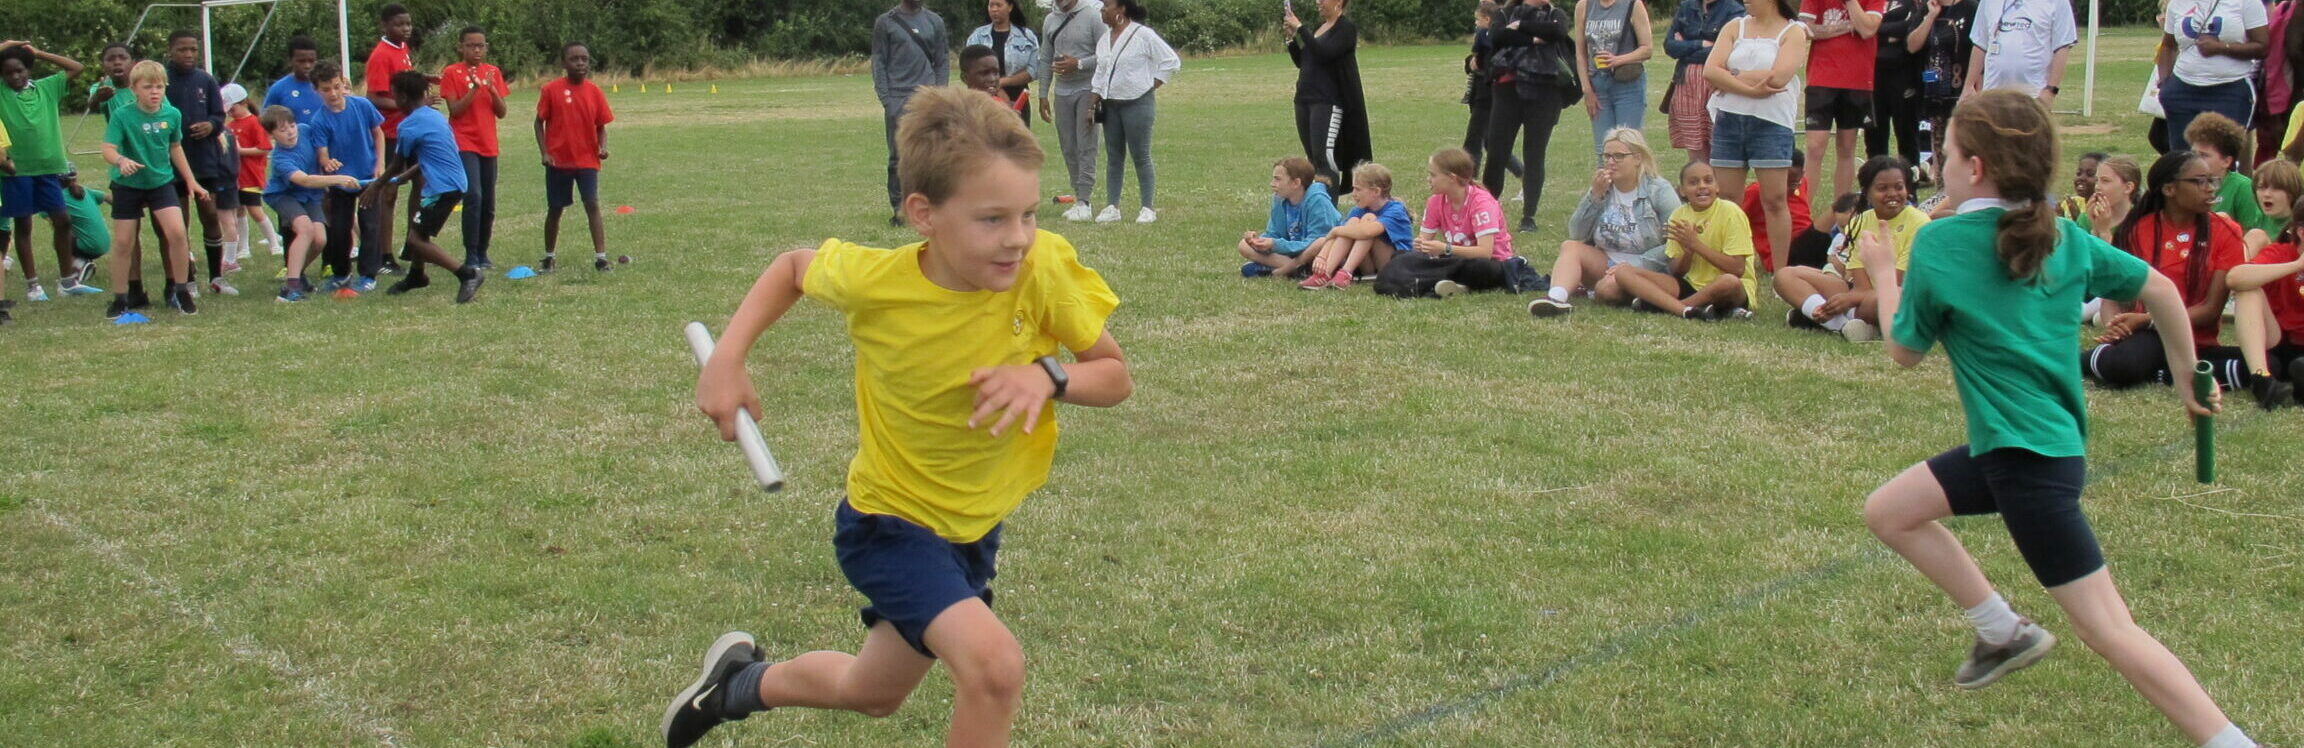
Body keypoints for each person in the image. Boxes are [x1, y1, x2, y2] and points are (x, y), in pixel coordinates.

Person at [662, 86, 1131, 748]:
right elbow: (794, 269)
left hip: (972, 529)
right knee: (994, 671)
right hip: (889, 524)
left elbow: (1113, 377)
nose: (1019, 239)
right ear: (923, 214)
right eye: (993, 219)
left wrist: (1047, 375)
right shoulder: (878, 282)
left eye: (1028, 214)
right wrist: (727, 359)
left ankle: (736, 685)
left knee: (872, 693)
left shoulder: (1042, 266)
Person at [1859, 89, 2261, 748]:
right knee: (1890, 511)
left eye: (1946, 155)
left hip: (2026, 466)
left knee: (2110, 630)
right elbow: (2157, 289)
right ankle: (1999, 629)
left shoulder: (1939, 244)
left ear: (1977, 167)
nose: (1939, 167)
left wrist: (1883, 275)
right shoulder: (2063, 234)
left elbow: (1902, 352)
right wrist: (2188, 374)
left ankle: (2231, 742)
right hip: (2030, 449)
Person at [2083, 150, 2249, 391]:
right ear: (2169, 189)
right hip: (2148, 339)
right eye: (2199, 181)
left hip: (2196, 341)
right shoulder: (2137, 230)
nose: (2210, 188)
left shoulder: (2225, 231)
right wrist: (2116, 328)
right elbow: (2113, 297)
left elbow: (2211, 310)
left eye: (2212, 180)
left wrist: (2143, 321)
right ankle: (2079, 361)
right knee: (2127, 364)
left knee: (2266, 365)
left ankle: (2163, 373)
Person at [1705, 0, 1810, 275]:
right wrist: (1750, 88)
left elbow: (1778, 77)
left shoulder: (1793, 32)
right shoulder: (1733, 27)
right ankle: (1733, 266)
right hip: (1728, 119)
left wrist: (1730, 76)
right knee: (1728, 199)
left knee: (1774, 199)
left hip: (1771, 123)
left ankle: (1781, 271)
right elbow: (1710, 70)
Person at [1531, 127, 1682, 315]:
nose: (1610, 162)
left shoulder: (1658, 190)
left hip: (1645, 268)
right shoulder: (1603, 187)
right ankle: (1555, 299)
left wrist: (1632, 268)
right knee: (1570, 247)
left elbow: (1676, 242)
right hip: (1607, 261)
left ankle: (1640, 296)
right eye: (1607, 156)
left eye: (1618, 156)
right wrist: (1595, 196)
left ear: (1637, 158)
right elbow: (1576, 232)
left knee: (1607, 289)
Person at [1775, 155, 1926, 340]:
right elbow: (1860, 283)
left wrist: (1851, 300)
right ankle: (1841, 325)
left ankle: (1822, 319)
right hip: (1861, 297)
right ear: (1867, 192)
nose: (1893, 194)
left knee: (1891, 296)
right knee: (1785, 275)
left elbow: (1897, 282)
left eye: (1899, 187)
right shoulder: (1860, 221)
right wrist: (1849, 298)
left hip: (1896, 295)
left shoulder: (1919, 223)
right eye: (1882, 188)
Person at [101, 60, 205, 318]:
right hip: (127, 185)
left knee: (178, 233)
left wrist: (190, 180)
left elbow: (175, 148)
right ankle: (120, 298)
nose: (155, 92)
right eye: (148, 87)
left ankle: (181, 291)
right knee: (124, 241)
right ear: (135, 88)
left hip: (161, 183)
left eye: (159, 87)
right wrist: (121, 161)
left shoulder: (172, 114)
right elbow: (108, 149)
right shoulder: (122, 115)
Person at [368, 71, 483, 304]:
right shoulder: (435, 117)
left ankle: (467, 274)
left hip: (443, 188)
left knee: (416, 240)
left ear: (401, 97)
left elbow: (396, 165)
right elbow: (428, 158)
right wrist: (404, 177)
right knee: (416, 228)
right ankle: (416, 275)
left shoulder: (408, 126)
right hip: (453, 182)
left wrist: (375, 186)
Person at [1609, 160, 1756, 319]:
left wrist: (1696, 245)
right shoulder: (1679, 215)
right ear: (1682, 191)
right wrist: (1688, 251)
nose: (1702, 186)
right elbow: (1677, 272)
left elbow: (1737, 269)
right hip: (1691, 284)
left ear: (1717, 186)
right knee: (1624, 272)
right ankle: (1688, 309)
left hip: (1730, 288)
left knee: (1728, 282)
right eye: (1693, 182)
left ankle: (1673, 308)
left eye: (1708, 181)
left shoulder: (1731, 212)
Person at [0, 41, 90, 301]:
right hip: (16, 170)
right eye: (8, 72)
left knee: (62, 220)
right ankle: (33, 285)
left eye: (20, 70)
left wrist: (37, 53)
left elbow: (77, 67)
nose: (16, 76)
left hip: (48, 169)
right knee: (23, 224)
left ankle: (67, 282)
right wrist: (8, 45)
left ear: (28, 69)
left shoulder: (46, 88)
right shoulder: (3, 93)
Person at [1378, 147, 1516, 298]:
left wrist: (1446, 248)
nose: (1428, 179)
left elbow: (1484, 253)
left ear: (1452, 178)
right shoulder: (1435, 202)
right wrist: (1421, 245)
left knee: (1481, 268)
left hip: (1490, 263)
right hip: (1454, 261)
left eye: (1433, 175)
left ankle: (1435, 283)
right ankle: (1453, 285)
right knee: (1402, 257)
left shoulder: (1481, 203)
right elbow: (1423, 243)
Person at [163, 30, 241, 297]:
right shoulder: (163, 80)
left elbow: (219, 115)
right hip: (172, 164)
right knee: (179, 223)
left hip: (205, 161)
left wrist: (211, 124)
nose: (188, 54)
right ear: (170, 50)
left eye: (193, 50)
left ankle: (218, 277)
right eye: (183, 49)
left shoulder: (205, 80)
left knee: (210, 216)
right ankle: (189, 280)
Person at [1484, 0, 1573, 233]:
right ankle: (1488, 209)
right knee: (1496, 152)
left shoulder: (1556, 14)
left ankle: (1528, 216)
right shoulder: (1504, 13)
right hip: (1506, 91)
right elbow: (1497, 37)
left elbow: (1558, 32)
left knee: (1534, 155)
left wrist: (1521, 25)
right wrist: (1534, 38)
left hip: (1545, 93)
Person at [1088, 0, 1180, 225]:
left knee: (1141, 155)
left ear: (1121, 9)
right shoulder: (1103, 40)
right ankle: (1112, 206)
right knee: (1114, 156)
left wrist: (1150, 85)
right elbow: (1100, 75)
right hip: (1111, 105)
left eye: (1106, 5)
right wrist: (1091, 104)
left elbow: (1171, 61)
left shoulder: (1143, 35)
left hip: (1138, 103)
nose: (1102, 10)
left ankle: (1147, 207)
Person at [260, 105, 359, 301]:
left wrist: (329, 162)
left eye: (292, 125)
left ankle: (297, 275)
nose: (290, 132)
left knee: (320, 239)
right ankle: (290, 288)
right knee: (305, 230)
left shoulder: (306, 130)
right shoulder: (280, 159)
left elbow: (323, 145)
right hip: (284, 195)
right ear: (272, 135)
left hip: (310, 195)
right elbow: (304, 180)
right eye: (282, 130)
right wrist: (338, 179)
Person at [535, 42, 615, 272]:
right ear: (564, 63)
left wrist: (602, 146)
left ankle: (601, 257)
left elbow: (601, 126)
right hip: (559, 161)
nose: (580, 63)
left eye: (584, 59)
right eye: (574, 59)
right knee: (555, 208)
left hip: (587, 160)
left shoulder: (594, 91)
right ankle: (549, 256)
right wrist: (545, 152)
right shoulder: (551, 90)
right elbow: (538, 122)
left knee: (592, 203)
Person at [308, 61, 386, 292]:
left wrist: (380, 163)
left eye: (336, 86)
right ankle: (341, 274)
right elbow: (322, 155)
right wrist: (328, 163)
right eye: (326, 89)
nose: (333, 93)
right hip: (341, 182)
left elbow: (378, 133)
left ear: (343, 84)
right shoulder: (319, 120)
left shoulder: (362, 105)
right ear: (317, 90)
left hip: (368, 178)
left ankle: (368, 275)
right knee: (340, 229)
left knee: (370, 226)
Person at [874, 0, 951, 227]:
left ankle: (929, 207)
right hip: (898, 97)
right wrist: (887, 99)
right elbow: (879, 61)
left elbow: (942, 60)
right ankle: (899, 209)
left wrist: (939, 92)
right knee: (897, 156)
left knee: (930, 155)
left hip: (927, 96)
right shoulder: (885, 23)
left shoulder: (935, 22)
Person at [2157, 0, 2269, 153]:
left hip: (2230, 91)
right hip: (2182, 91)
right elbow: (2168, 45)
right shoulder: (2177, 3)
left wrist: (2221, 48)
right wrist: (2165, 84)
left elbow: (2262, 47)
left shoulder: (2247, 3)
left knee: (2222, 158)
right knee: (2182, 160)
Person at [1799, 0, 1884, 202]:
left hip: (1857, 78)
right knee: (1815, 146)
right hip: (1821, 75)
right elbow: (1805, 29)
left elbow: (1867, 29)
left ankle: (1841, 211)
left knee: (1847, 146)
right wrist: (1846, 26)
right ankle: (1803, 210)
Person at [1287, 0, 1373, 193]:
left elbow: (1324, 54)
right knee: (1312, 159)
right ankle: (1316, 204)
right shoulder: (1319, 28)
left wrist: (1301, 28)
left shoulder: (1346, 29)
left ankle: (1329, 211)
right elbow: (1304, 60)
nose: (1318, 1)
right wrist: (1292, 38)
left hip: (1327, 101)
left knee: (1323, 157)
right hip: (1304, 99)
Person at [2231, 187, 2304, 408]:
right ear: (2301, 232)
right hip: (2279, 341)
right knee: (2248, 289)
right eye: (2262, 187)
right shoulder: (2282, 253)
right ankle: (2261, 380)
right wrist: (2297, 265)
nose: (2267, 193)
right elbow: (2235, 277)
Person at [1034, 0, 1108, 220]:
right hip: (1062, 91)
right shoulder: (1050, 20)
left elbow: (1106, 55)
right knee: (1068, 146)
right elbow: (1045, 58)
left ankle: (1085, 200)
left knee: (1086, 144)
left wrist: (1079, 64)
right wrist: (1042, 93)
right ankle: (1078, 198)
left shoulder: (1094, 16)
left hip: (1088, 88)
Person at [442, 26, 508, 270]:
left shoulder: (492, 72)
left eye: (481, 45)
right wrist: (473, 89)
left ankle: (483, 252)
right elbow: (455, 110)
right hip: (464, 142)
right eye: (471, 45)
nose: (476, 50)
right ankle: (470, 253)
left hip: (488, 143)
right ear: (461, 47)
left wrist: (491, 90)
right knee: (473, 196)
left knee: (489, 201)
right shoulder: (452, 72)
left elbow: (501, 112)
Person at [1298, 162, 1416, 289]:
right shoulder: (1358, 210)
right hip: (1368, 267)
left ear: (1376, 191)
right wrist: (1322, 256)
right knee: (1353, 222)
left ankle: (1346, 272)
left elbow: (1367, 232)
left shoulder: (1395, 210)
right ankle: (1324, 274)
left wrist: (1335, 230)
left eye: (1358, 189)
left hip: (1393, 266)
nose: (1353, 193)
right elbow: (1338, 235)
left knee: (1367, 220)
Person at [366, 3, 417, 272]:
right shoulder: (381, 55)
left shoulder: (403, 49)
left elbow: (404, 85)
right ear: (385, 26)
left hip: (410, 131)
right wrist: (408, 106)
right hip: (389, 133)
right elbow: (374, 97)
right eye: (399, 24)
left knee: (421, 182)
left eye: (408, 24)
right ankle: (384, 255)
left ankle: (413, 241)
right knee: (389, 193)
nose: (406, 29)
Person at [1662, 0, 1744, 163]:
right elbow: (1669, 46)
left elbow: (1730, 51)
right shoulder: (1687, 6)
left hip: (1717, 84)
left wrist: (1685, 47)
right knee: (1695, 148)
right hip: (1686, 84)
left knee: (1719, 144)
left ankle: (1718, 187)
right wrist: (1701, 43)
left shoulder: (1734, 11)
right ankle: (1700, 184)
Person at [1573, 0, 1654, 160]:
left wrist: (1618, 59)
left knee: (1629, 148)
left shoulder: (1633, 5)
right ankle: (1607, 185)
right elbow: (1580, 54)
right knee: (1604, 150)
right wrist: (1587, 89)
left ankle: (1634, 185)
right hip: (1598, 85)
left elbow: (1647, 49)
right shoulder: (1584, 6)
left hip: (1627, 84)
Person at [1237, 156, 1341, 279]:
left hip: (1320, 254)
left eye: (1277, 179)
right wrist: (1258, 241)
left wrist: (1276, 245)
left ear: (1296, 183)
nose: (1272, 184)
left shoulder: (1318, 200)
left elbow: (1318, 240)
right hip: (1294, 253)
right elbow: (1274, 233)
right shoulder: (1279, 199)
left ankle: (1280, 271)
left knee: (1319, 243)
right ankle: (1298, 270)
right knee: (1243, 245)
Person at [1912, 0, 1977, 185]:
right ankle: (1942, 191)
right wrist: (1931, 16)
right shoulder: (1928, 8)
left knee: (1964, 147)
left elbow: (1979, 48)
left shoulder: (1971, 8)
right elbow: (1912, 45)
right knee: (1940, 149)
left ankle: (1963, 194)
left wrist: (1974, 86)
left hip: (1962, 92)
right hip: (1934, 93)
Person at [1964, 0, 2077, 105]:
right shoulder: (1988, 2)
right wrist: (1968, 86)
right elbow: (1980, 44)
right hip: (1992, 95)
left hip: (2033, 97)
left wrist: (2050, 91)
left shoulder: (2057, 2)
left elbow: (2062, 46)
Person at [1466, 2, 1527, 180]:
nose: (1476, 23)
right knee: (1491, 143)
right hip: (1487, 93)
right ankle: (1524, 174)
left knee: (1473, 142)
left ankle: (1471, 187)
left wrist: (1474, 63)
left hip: (1487, 96)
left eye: (1478, 19)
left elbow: (1485, 61)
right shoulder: (1499, 30)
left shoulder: (1489, 34)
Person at [2185, 113, 2274, 236]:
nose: (2195, 159)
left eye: (2204, 155)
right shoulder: (2184, 184)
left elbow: (2250, 234)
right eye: (2193, 153)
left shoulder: (2242, 187)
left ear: (2226, 161)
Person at [224, 87, 282, 264]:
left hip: (251, 176)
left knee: (255, 211)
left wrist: (240, 151)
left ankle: (274, 243)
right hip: (236, 177)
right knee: (239, 211)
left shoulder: (255, 122)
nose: (230, 113)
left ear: (244, 103)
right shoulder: (229, 126)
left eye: (233, 109)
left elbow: (264, 148)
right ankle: (244, 248)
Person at [1868, 0, 1927, 168]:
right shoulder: (1872, 3)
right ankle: (1875, 182)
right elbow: (1865, 28)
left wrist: (1879, 30)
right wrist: (1886, 33)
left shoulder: (1913, 3)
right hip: (1873, 74)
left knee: (1907, 134)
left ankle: (1910, 184)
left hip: (1904, 74)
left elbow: (1910, 28)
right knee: (1875, 135)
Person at [966, 0, 1039, 126]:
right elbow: (969, 69)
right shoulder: (978, 36)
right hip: (984, 98)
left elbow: (1033, 70)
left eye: (998, 5)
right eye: (991, 5)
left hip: (1018, 98)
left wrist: (1003, 82)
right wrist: (997, 91)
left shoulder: (1027, 36)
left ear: (1010, 7)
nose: (994, 9)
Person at [1743, 146, 1813, 273]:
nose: (1786, 189)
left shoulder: (1803, 183)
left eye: (1793, 183)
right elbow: (1737, 218)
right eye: (1783, 182)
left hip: (1808, 243)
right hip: (1780, 255)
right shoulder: (1756, 192)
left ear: (1802, 174)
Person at [58, 169, 111, 295]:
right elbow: (108, 197)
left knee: (60, 238)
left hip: (89, 246)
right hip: (105, 244)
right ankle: (82, 261)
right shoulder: (84, 190)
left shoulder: (58, 198)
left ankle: (77, 266)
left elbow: (57, 227)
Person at [2243, 157, 2299, 252]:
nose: (2267, 194)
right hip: (2254, 265)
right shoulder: (2259, 217)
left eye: (2276, 188)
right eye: (2261, 187)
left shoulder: (2299, 223)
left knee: (2256, 236)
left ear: (2291, 192)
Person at [264, 36, 323, 124]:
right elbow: (265, 123)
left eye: (311, 61)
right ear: (290, 61)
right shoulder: (278, 89)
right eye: (301, 61)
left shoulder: (326, 87)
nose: (307, 66)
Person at [2058, 152, 2106, 223]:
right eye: (2078, 173)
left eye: (2090, 174)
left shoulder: (2104, 210)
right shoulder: (2069, 204)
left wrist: (2078, 218)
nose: (2081, 178)